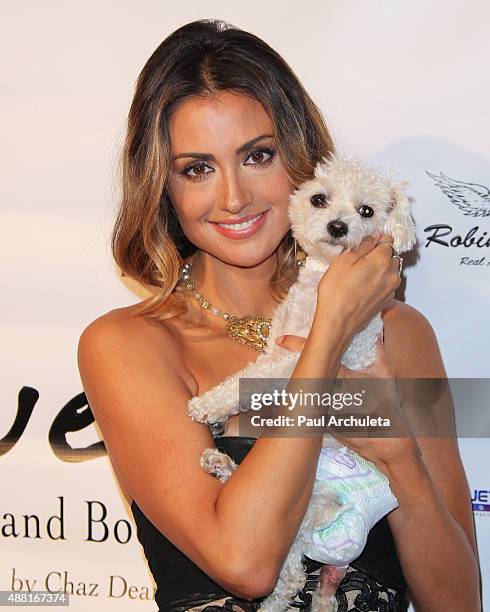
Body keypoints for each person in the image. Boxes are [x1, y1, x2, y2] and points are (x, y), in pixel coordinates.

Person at [77, 19, 481, 612]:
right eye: (197, 169)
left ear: (300, 160)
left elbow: (458, 602)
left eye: (258, 156)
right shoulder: (129, 344)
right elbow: (245, 563)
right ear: (162, 187)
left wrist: (400, 458)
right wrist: (327, 333)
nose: (234, 198)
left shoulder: (400, 334)